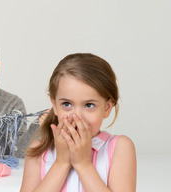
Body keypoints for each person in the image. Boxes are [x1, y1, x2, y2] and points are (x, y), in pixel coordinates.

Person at [20, 53, 137, 191]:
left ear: (107, 108)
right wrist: (61, 162)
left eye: (89, 105)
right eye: (67, 104)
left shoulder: (119, 148)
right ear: (55, 105)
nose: (77, 116)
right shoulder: (38, 152)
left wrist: (83, 164)